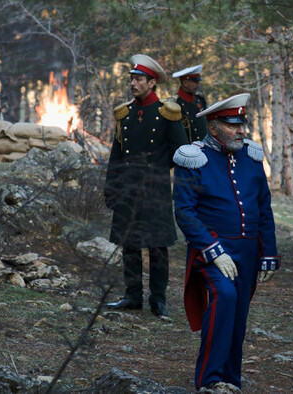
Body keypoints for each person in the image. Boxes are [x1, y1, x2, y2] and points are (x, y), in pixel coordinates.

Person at [173, 93, 280, 392]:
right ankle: (209, 380)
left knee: (239, 314)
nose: (241, 130)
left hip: (247, 251)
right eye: (232, 124)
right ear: (213, 126)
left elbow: (263, 207)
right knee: (225, 298)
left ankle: (231, 381)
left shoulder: (251, 156)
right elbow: (184, 211)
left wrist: (268, 252)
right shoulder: (193, 158)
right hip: (213, 250)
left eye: (241, 123)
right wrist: (212, 251)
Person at [104, 54, 188, 317]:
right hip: (128, 190)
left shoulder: (168, 113)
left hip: (155, 190)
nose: (133, 84)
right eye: (132, 79)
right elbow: (116, 156)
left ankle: (158, 299)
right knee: (129, 244)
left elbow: (181, 152)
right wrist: (112, 188)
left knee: (157, 246)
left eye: (139, 80)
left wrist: (158, 171)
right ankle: (132, 296)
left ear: (152, 83)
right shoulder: (124, 114)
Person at [172, 64, 208, 142]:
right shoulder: (175, 103)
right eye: (195, 82)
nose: (198, 85)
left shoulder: (200, 100)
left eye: (198, 82)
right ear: (185, 83)